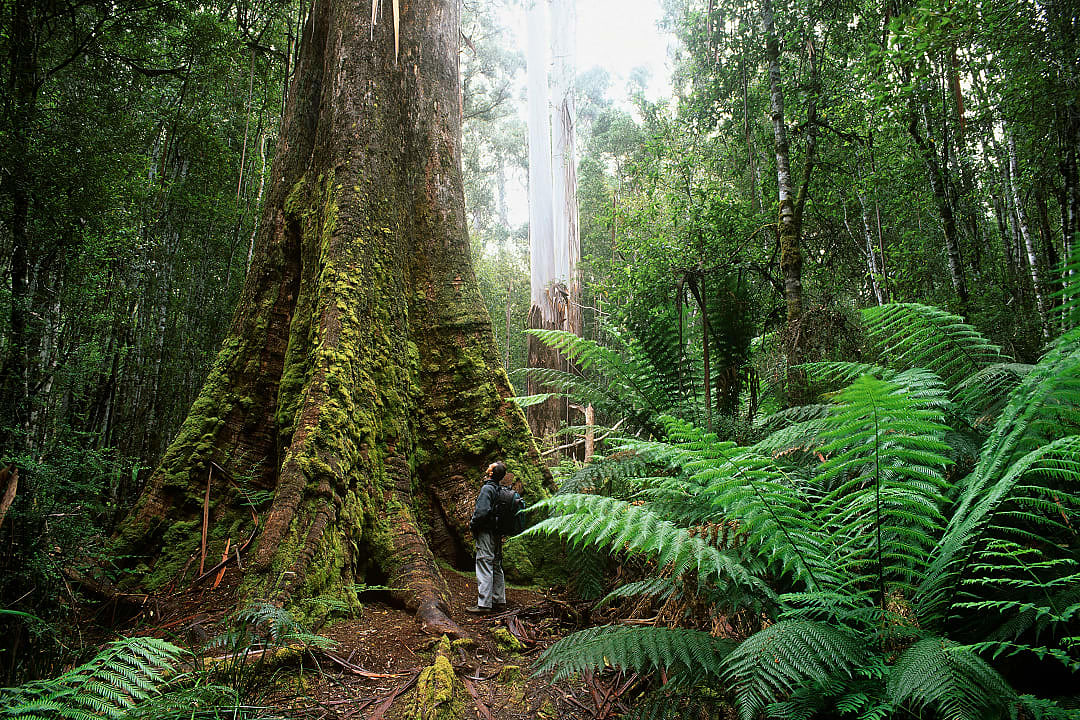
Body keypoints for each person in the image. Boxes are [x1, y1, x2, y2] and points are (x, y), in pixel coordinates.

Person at [466, 461, 507, 614]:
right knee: (496, 564)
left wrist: (473, 525)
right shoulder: (500, 489)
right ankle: (499, 600)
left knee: (484, 562)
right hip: (497, 532)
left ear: (491, 473)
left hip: (486, 531)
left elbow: (482, 512)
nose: (487, 467)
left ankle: (484, 604)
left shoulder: (487, 489)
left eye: (490, 466)